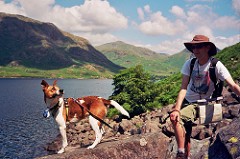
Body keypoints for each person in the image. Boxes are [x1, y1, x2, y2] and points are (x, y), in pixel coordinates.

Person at [170, 35, 240, 159]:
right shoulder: (190, 63)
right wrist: (176, 108)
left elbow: (233, 85)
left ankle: (180, 153)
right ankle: (186, 155)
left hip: (203, 103)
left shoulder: (216, 65)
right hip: (188, 100)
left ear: (207, 47)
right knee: (185, 133)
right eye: (193, 47)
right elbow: (183, 88)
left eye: (199, 46)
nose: (195, 50)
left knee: (177, 120)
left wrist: (177, 112)